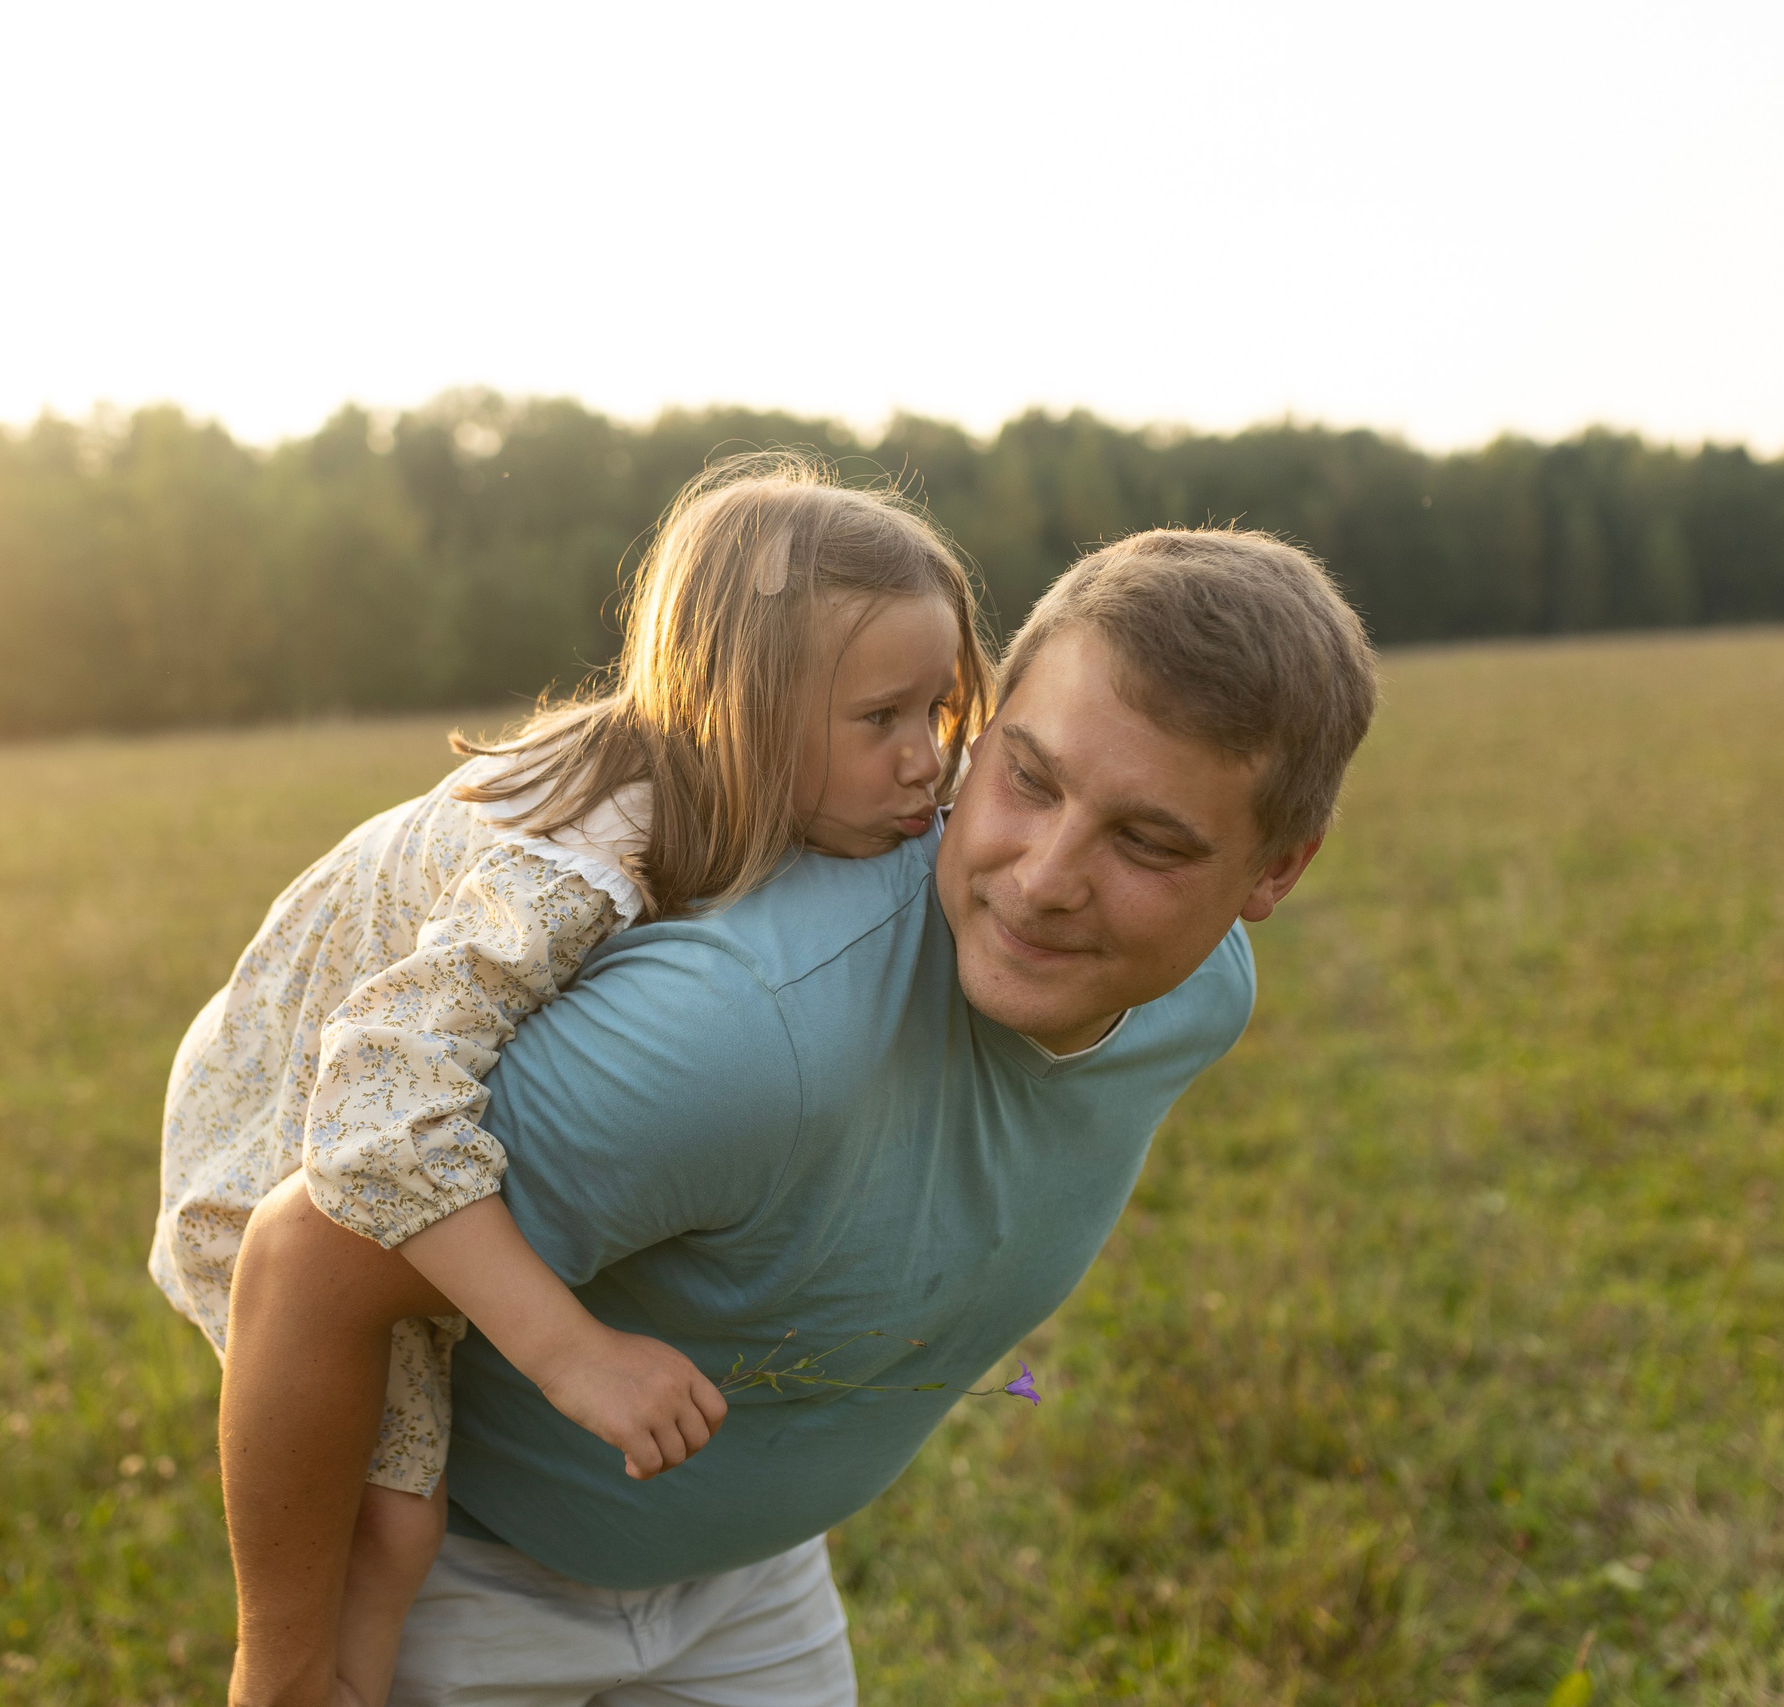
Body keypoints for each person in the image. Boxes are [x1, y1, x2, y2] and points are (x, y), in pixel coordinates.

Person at [219, 526, 1382, 1706]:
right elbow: (303, 1261)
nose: (1042, 880)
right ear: (989, 728)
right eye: (1027, 778)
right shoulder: (742, 1028)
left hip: (751, 1589)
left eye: (1147, 842)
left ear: (1273, 873)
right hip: (471, 1582)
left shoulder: (1202, 992)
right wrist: (285, 1672)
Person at [149, 453, 996, 1707]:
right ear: (743, 712)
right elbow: (375, 1098)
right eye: (881, 721)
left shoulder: (771, 793)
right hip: (289, 1095)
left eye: (941, 711)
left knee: (395, 1512)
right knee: (390, 1522)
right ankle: (281, 1682)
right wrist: (572, 1354)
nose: (926, 759)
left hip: (379, 1083)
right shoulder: (580, 859)